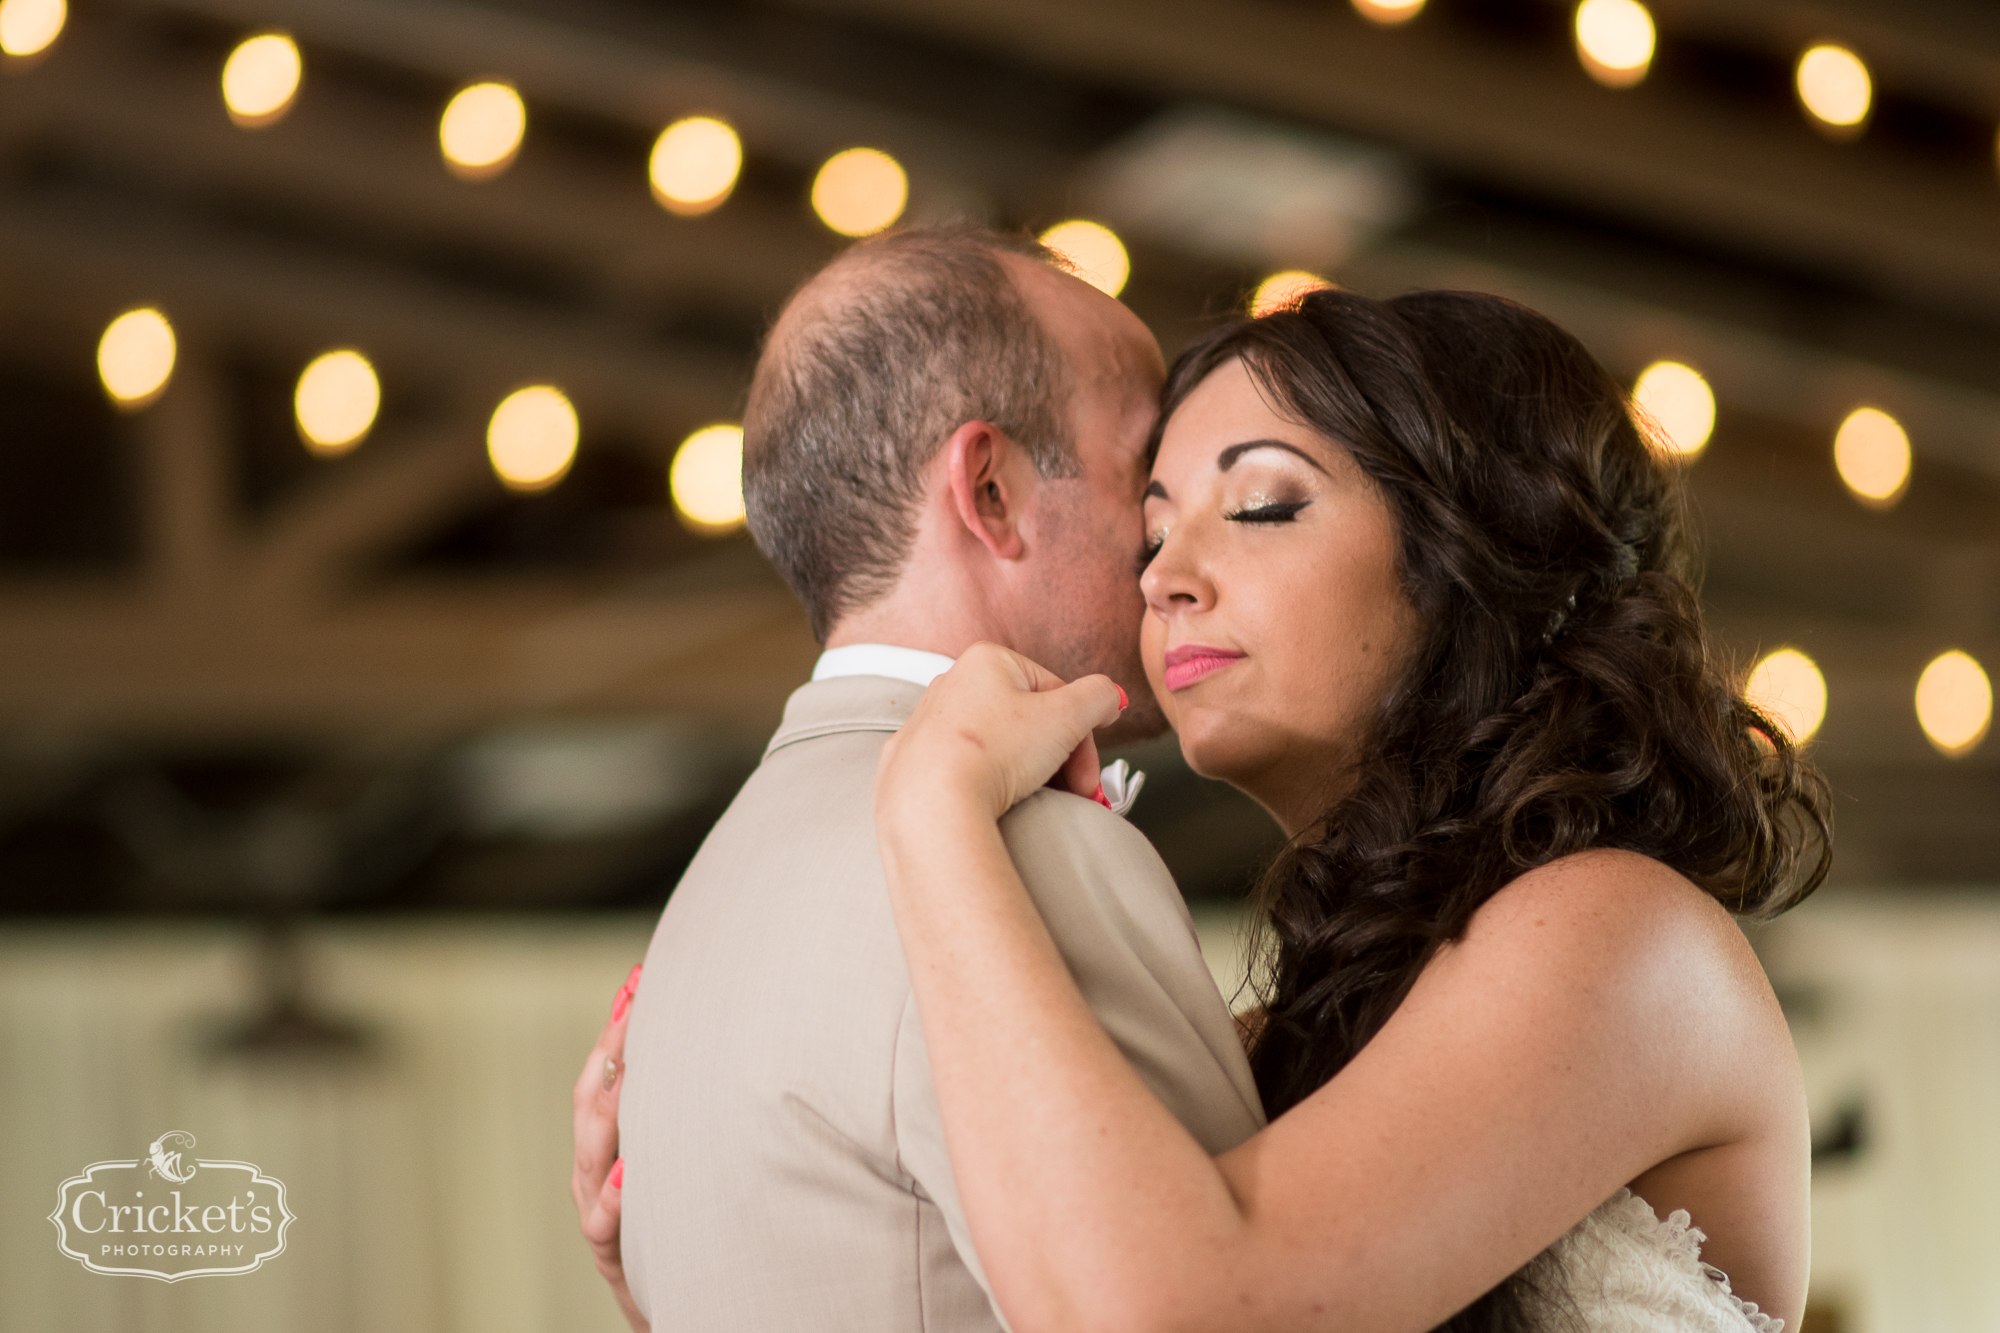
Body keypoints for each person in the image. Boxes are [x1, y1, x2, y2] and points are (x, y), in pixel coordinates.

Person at [870, 288, 1832, 1333]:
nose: (1164, 582)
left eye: (1261, 505)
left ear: (1480, 543)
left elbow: (1185, 1310)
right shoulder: (1266, 1047)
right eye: (1152, 536)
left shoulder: (1623, 937)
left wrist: (936, 823)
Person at [573, 225, 1266, 1332]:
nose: (1168, 538)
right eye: (1147, 477)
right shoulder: (1022, 852)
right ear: (988, 491)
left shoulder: (702, 905)